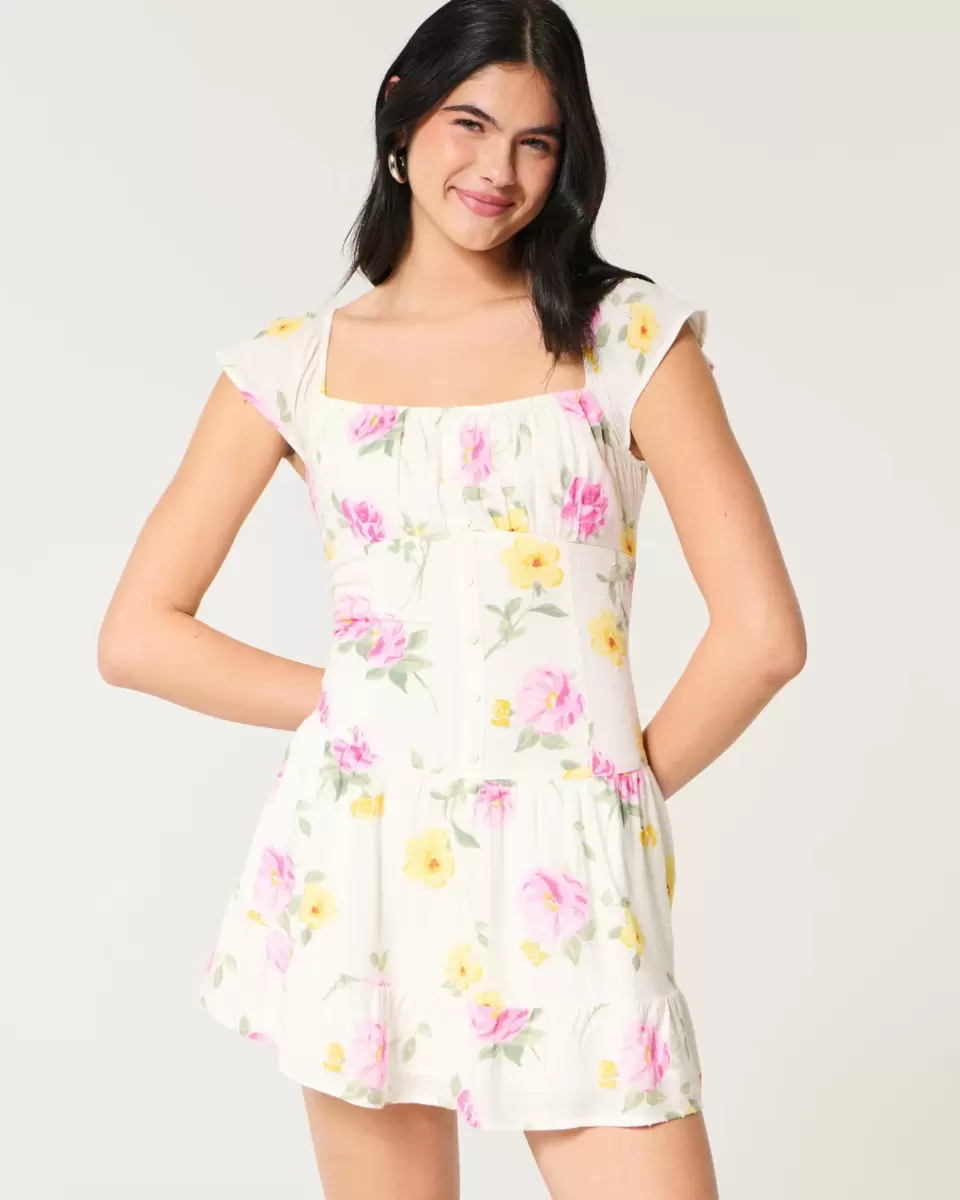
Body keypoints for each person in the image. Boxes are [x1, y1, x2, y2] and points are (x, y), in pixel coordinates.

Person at [98, 1, 805, 1196]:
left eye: (537, 141)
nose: (499, 170)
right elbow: (137, 635)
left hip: (571, 873)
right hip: (361, 858)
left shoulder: (630, 336)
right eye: (470, 123)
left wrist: (610, 798)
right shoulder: (292, 363)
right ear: (402, 113)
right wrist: (359, 702)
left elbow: (764, 638)